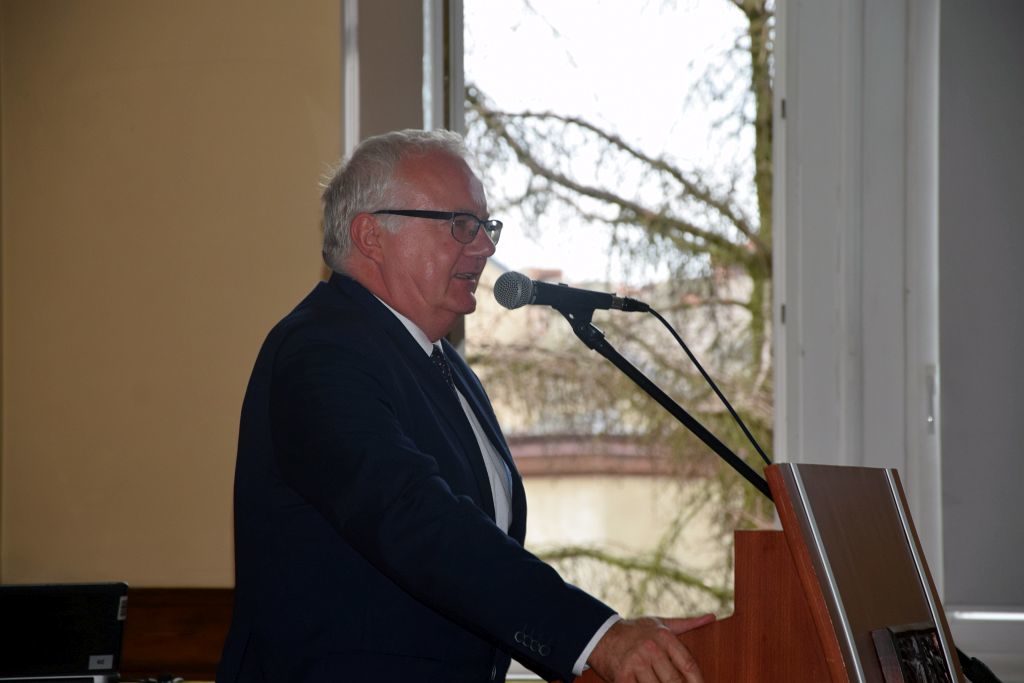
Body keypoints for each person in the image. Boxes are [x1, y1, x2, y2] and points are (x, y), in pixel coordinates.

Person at [217, 129, 714, 682]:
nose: (485, 247)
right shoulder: (320, 350)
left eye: (485, 226)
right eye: (460, 224)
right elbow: (411, 515)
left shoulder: (446, 367)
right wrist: (593, 635)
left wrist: (595, 640)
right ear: (371, 235)